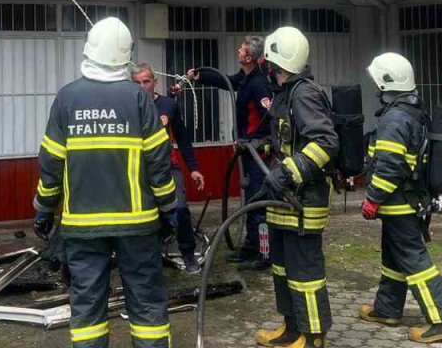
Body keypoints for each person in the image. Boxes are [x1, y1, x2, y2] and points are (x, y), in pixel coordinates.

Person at [32, 18, 177, 348]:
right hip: (138, 225)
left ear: (90, 50)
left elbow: (51, 164)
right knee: (147, 303)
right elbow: (159, 163)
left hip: (83, 227)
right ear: (125, 57)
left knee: (87, 307)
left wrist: (43, 210)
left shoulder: (67, 99)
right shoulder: (139, 99)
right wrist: (169, 210)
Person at [358, 53, 442, 344]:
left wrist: (372, 198)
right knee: (393, 257)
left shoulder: (394, 118)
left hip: (398, 202)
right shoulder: (411, 110)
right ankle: (387, 309)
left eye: (376, 80)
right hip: (406, 200)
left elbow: (390, 166)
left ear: (385, 82)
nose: (374, 85)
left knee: (415, 261)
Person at [253, 26, 338, 348]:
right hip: (284, 200)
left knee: (305, 273)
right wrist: (259, 145)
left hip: (304, 201)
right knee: (282, 268)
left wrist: (289, 172)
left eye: (269, 61)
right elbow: (289, 141)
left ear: (277, 62)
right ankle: (291, 328)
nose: (265, 66)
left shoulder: (304, 93)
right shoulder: (285, 94)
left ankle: (313, 335)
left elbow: (325, 142)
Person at [184, 35, 272, 269]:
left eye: (242, 48)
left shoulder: (259, 83)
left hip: (258, 154)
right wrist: (199, 76)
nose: (239, 49)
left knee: (258, 204)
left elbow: (268, 117)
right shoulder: (246, 77)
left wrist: (252, 141)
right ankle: (251, 247)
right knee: (249, 202)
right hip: (247, 150)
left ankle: (264, 254)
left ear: (250, 57)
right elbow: (227, 81)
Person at [132, 63, 207, 274]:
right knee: (146, 216)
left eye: (146, 81)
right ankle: (150, 257)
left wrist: (193, 168)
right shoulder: (127, 107)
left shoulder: (168, 105)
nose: (142, 86)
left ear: (155, 82)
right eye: (137, 82)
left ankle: (188, 254)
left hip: (168, 167)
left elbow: (183, 139)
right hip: (139, 170)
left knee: (180, 208)